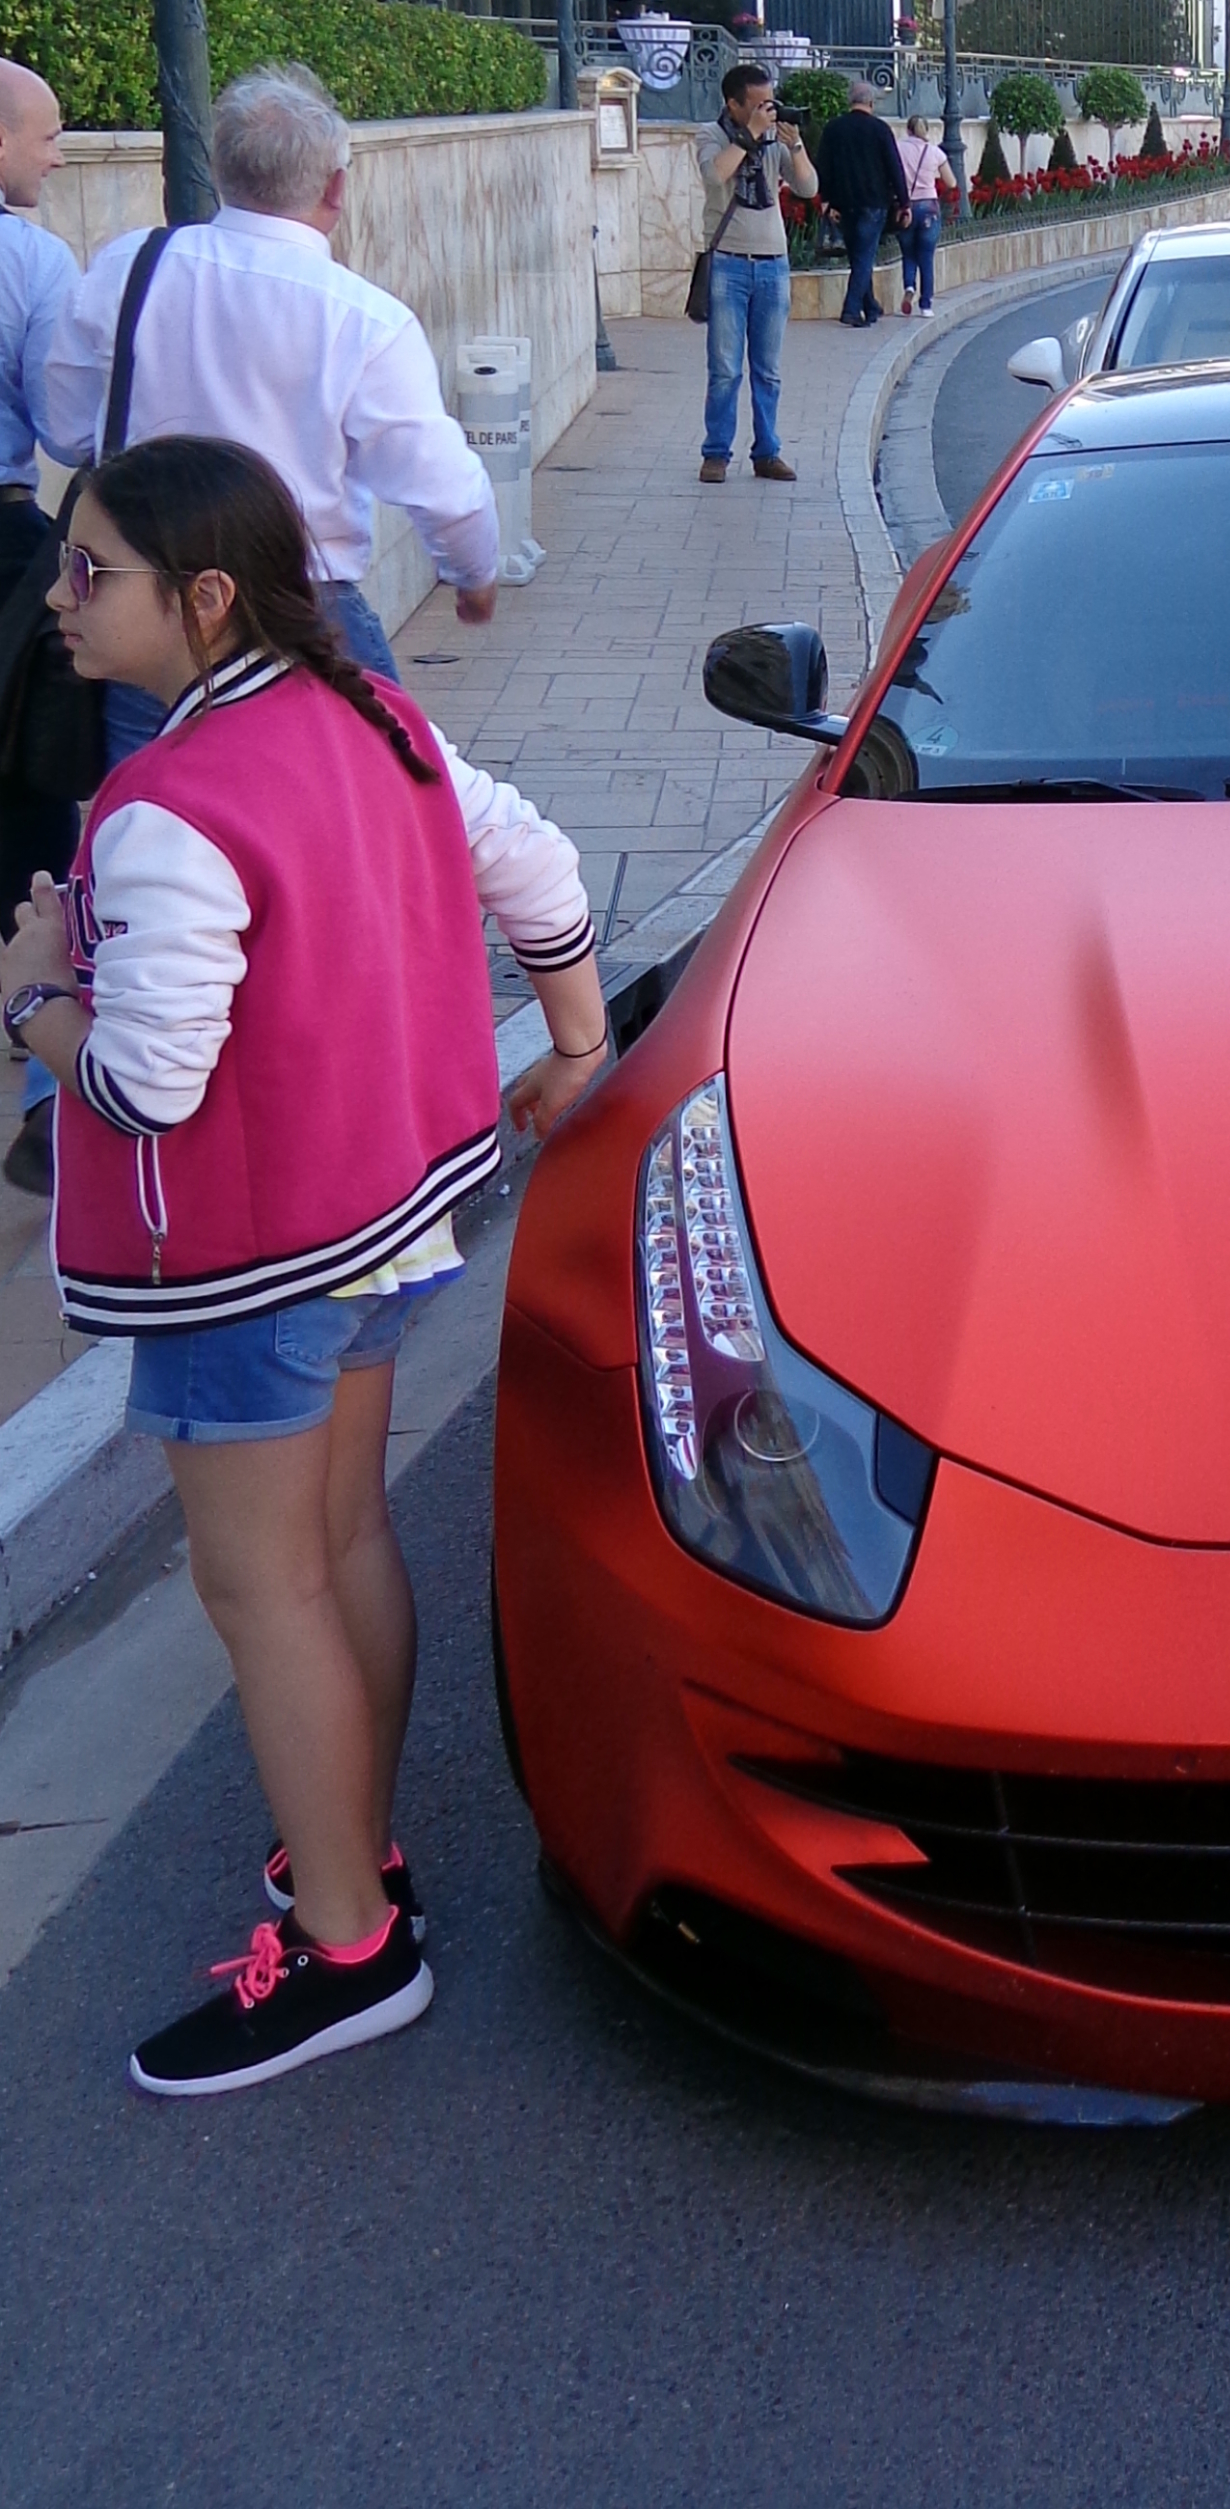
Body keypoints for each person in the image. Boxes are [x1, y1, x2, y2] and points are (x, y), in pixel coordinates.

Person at [0, 435, 605, 2097]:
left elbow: (144, 1081)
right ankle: (354, 1854)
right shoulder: (375, 714)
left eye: (89, 572)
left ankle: (348, 1945)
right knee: (338, 1545)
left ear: (203, 597)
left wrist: (31, 990)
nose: (60, 598)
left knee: (262, 1586)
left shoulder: (163, 808)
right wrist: (572, 1037)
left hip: (250, 1264)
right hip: (393, 1218)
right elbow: (539, 868)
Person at [44, 65, 501, 740]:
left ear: (221, 166)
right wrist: (472, 574)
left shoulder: (128, 268)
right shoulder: (364, 319)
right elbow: (440, 482)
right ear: (336, 186)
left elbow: (63, 428)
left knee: (157, 819)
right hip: (301, 610)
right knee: (359, 807)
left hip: (156, 608)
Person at [0, 58, 80, 1196]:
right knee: (34, 811)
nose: (60, 152)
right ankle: (49, 1105)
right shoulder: (31, 259)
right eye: (48, 135)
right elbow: (69, 417)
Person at [695, 63, 816, 483]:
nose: (770, 109)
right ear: (733, 104)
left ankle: (767, 452)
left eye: (772, 101)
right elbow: (715, 176)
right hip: (728, 263)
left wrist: (795, 146)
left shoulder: (773, 139)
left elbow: (808, 188)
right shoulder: (712, 135)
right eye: (760, 103)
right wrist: (750, 137)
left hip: (773, 265)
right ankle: (716, 453)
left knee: (768, 369)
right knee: (725, 368)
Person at [817, 79, 912, 330]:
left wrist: (826, 200)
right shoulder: (880, 129)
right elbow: (894, 168)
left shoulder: (833, 129)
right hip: (873, 202)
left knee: (859, 255)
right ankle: (850, 309)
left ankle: (870, 306)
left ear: (850, 100)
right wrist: (904, 202)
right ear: (871, 102)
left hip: (843, 203)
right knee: (864, 257)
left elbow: (823, 166)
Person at [896, 114, 949, 317]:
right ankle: (926, 305)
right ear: (926, 130)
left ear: (908, 130)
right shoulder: (935, 152)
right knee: (926, 257)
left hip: (906, 207)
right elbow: (951, 181)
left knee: (908, 253)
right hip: (929, 207)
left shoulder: (899, 148)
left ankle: (909, 286)